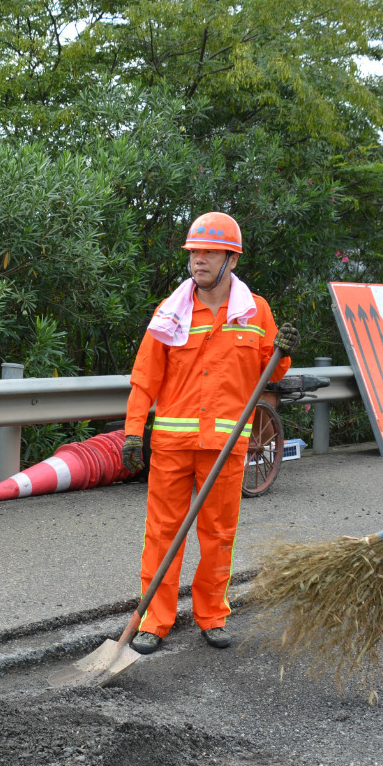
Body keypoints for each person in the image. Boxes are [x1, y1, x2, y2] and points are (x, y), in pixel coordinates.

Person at [119, 212, 297, 653]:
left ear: (230, 259)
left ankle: (212, 614)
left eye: (208, 252)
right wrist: (133, 433)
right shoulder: (170, 312)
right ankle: (154, 621)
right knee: (162, 533)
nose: (198, 260)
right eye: (194, 252)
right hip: (173, 446)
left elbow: (270, 370)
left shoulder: (256, 312)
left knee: (218, 535)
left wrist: (283, 352)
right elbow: (145, 377)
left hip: (226, 446)